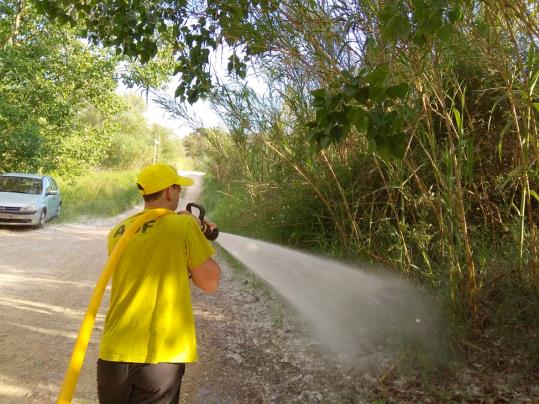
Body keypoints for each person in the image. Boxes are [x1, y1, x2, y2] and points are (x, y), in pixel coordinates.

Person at [96, 162, 221, 404]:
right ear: (169, 192)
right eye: (178, 188)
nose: (179, 194)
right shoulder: (183, 225)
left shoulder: (119, 231)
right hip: (159, 355)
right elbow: (210, 283)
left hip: (113, 355)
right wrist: (196, 231)